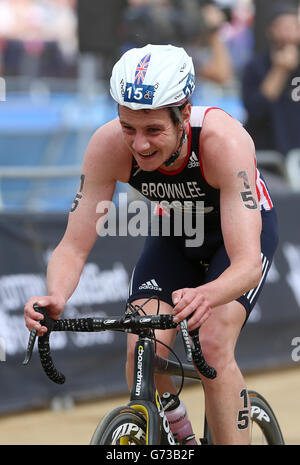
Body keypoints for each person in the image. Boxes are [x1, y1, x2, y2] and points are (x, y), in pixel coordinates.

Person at [24, 44, 278, 445]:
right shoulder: (108, 146)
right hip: (175, 234)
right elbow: (73, 246)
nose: (139, 145)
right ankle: (175, 430)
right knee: (141, 347)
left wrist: (207, 294)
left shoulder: (223, 141)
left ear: (186, 115)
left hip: (238, 242)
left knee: (211, 344)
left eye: (153, 130)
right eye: (129, 128)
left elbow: (247, 263)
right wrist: (55, 295)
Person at [241, 2, 300, 156]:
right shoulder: (255, 66)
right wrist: (280, 71)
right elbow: (255, 110)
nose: (289, 33)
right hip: (268, 155)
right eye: (283, 27)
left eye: (294, 27)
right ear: (271, 30)